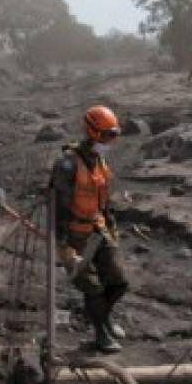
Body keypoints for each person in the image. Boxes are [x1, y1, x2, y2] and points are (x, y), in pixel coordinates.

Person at [51, 105, 129, 353]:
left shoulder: (100, 162)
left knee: (119, 282)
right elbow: (58, 207)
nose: (110, 141)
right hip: (74, 234)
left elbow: (103, 200)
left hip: (99, 229)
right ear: (92, 132)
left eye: (113, 135)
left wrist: (111, 229)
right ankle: (100, 334)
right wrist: (63, 245)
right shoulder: (67, 165)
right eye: (107, 135)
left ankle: (103, 319)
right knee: (92, 288)